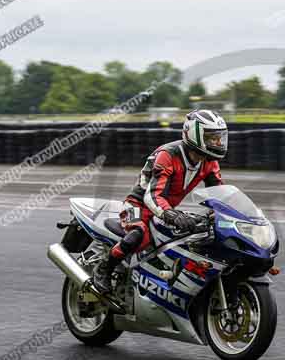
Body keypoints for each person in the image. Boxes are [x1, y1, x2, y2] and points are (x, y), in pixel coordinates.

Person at [93, 110, 228, 292]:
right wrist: (171, 214)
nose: (218, 143)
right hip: (138, 204)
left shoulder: (209, 162)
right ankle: (104, 269)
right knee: (139, 233)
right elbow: (153, 195)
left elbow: (219, 194)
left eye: (220, 137)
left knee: (195, 236)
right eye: (212, 137)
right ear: (195, 135)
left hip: (164, 208)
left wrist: (224, 215)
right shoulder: (168, 155)